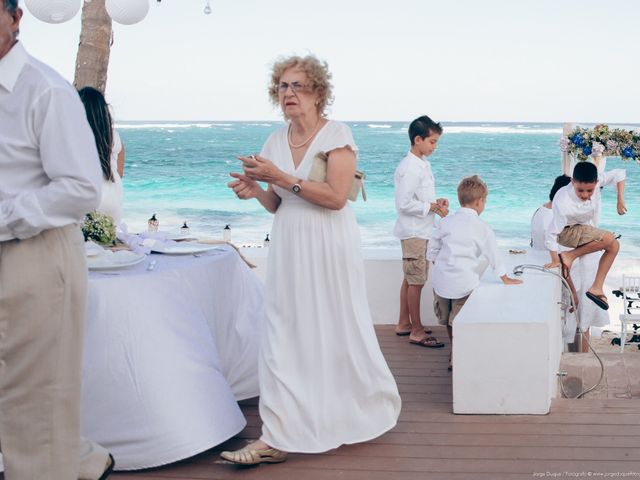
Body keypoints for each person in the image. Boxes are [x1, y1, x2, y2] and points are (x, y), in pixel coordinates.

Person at [222, 54, 401, 465]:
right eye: (283, 86)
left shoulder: (336, 134)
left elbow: (336, 198)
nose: (289, 93)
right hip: (288, 242)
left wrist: (280, 178)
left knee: (333, 328)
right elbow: (277, 204)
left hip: (328, 243)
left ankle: (349, 410)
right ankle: (277, 433)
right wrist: (256, 191)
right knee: (283, 331)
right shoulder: (273, 142)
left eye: (298, 86)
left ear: (318, 93)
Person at [0, 1, 113, 478]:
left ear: (15, 17)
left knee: (35, 401)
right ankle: (85, 462)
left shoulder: (45, 90)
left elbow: (82, 188)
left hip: (34, 254)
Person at [427, 175, 523, 371]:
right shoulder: (482, 228)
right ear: (480, 202)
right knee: (460, 322)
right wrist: (504, 277)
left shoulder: (446, 222)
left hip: (441, 281)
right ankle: (459, 355)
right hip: (464, 283)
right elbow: (493, 255)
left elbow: (433, 246)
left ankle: (454, 351)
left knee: (446, 320)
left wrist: (438, 263)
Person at [393, 115, 448, 348]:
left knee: (411, 279)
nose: (434, 147)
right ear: (418, 140)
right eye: (432, 142)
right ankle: (416, 331)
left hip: (422, 230)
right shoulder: (410, 168)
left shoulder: (422, 165)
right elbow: (403, 203)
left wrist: (435, 203)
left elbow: (420, 197)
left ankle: (404, 323)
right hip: (414, 232)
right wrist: (431, 207)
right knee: (416, 282)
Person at [544, 161, 620, 315]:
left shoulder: (597, 183)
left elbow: (620, 174)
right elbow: (551, 233)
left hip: (580, 227)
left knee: (614, 246)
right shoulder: (563, 202)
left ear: (596, 183)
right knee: (608, 239)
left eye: (589, 190)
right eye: (580, 191)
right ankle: (568, 256)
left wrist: (620, 200)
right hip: (566, 233)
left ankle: (596, 287)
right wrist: (554, 259)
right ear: (572, 182)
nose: (585, 195)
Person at [78, 86, 126, 225]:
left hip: (85, 207)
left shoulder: (73, 137)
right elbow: (119, 173)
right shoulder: (115, 137)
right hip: (113, 208)